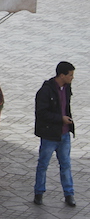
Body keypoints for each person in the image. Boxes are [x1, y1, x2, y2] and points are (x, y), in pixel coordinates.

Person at [34, 61, 76, 207]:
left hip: (64, 134)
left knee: (66, 165)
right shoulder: (45, 91)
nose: (72, 77)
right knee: (43, 164)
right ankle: (38, 193)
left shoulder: (67, 88)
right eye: (70, 75)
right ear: (62, 75)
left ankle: (69, 194)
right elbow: (42, 113)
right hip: (49, 135)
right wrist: (61, 119)